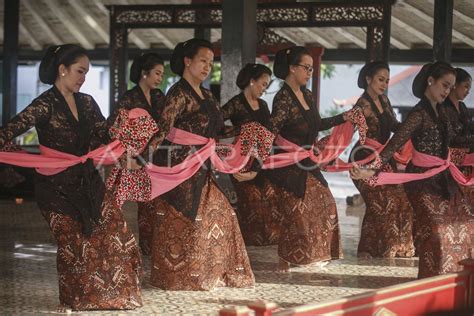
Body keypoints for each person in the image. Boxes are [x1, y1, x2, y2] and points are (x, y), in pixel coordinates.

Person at [0, 45, 142, 310]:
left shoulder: (87, 102)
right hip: (54, 186)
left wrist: (126, 148)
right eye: (79, 71)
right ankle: (77, 299)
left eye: (86, 72)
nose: (83, 78)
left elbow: (104, 134)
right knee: (72, 243)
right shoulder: (43, 104)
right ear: (62, 70)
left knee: (117, 234)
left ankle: (111, 295)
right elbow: (8, 131)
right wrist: (14, 162)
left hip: (88, 181)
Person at [149, 38, 255, 290]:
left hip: (204, 164)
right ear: (188, 61)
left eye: (211, 62)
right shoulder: (177, 93)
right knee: (187, 218)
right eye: (203, 61)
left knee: (223, 214)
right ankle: (178, 276)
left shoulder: (207, 95)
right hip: (179, 165)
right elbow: (162, 129)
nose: (208, 66)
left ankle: (212, 274)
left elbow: (219, 130)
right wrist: (138, 157)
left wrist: (247, 129)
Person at [352, 61, 474, 278]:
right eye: (445, 85)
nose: (448, 91)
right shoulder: (418, 114)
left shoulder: (442, 113)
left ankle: (456, 282)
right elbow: (393, 145)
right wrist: (371, 170)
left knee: (465, 225)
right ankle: (433, 280)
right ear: (430, 81)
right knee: (438, 232)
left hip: (443, 178)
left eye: (450, 87)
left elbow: (455, 139)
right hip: (421, 182)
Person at [267, 46, 351, 271]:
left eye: (311, 69)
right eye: (306, 68)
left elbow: (318, 124)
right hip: (286, 164)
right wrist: (257, 161)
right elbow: (271, 131)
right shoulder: (282, 98)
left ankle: (315, 254)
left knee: (327, 203)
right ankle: (292, 257)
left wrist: (344, 117)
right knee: (299, 212)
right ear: (292, 69)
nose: (309, 72)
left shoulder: (307, 95)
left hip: (306, 160)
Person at [349, 61, 414, 258]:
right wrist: (327, 154)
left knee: (402, 200)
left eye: (386, 80)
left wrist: (414, 129)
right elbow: (344, 132)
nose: (384, 84)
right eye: (380, 79)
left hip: (385, 158)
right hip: (364, 158)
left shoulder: (384, 100)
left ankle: (376, 248)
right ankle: (383, 248)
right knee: (383, 203)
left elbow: (394, 125)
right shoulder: (362, 105)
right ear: (368, 78)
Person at [108, 52, 165, 255]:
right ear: (144, 73)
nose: (160, 78)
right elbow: (113, 128)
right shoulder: (129, 97)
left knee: (152, 204)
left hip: (155, 157)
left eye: (162, 74)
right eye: (157, 73)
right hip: (132, 158)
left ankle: (150, 249)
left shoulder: (159, 96)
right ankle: (114, 247)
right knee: (116, 202)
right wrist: (124, 156)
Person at [220, 63, 282, 246]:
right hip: (240, 161)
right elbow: (215, 123)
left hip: (260, 161)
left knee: (270, 197)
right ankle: (246, 245)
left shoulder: (263, 105)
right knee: (251, 201)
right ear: (252, 81)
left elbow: (268, 133)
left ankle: (268, 244)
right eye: (263, 84)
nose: (264, 89)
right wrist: (240, 131)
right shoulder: (236, 103)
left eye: (267, 86)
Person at [443, 68, 473, 203]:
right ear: (455, 85)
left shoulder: (463, 107)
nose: (468, 91)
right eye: (466, 86)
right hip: (450, 157)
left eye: (469, 88)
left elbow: (470, 129)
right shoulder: (443, 107)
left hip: (466, 154)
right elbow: (451, 138)